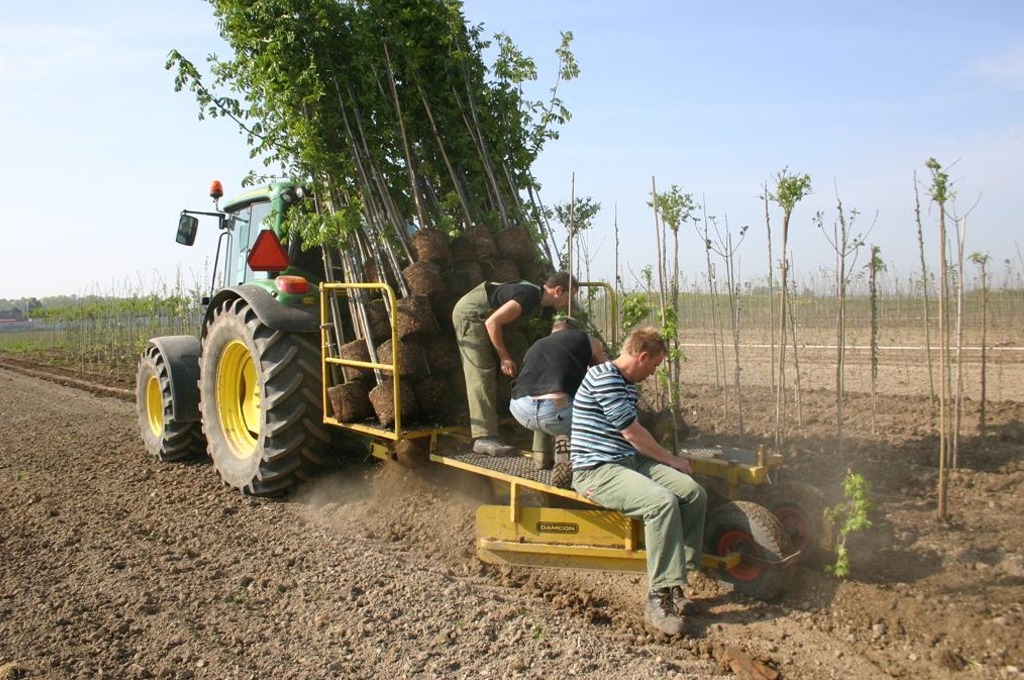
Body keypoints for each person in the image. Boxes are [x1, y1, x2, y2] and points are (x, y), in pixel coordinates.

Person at [570, 326, 707, 636]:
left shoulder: (628, 385)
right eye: (655, 365)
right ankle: (658, 598)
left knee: (693, 493)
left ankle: (675, 581)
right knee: (661, 502)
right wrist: (671, 459)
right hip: (597, 468)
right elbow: (631, 432)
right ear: (643, 357)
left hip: (630, 462)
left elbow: (634, 439)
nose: (654, 373)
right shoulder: (604, 377)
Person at [452, 272, 576, 457]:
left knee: (522, 353)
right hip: (472, 315)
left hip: (494, 319)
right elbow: (492, 322)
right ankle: (484, 437)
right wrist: (504, 357)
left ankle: (512, 412)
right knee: (482, 372)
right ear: (558, 290)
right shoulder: (529, 295)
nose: (569, 303)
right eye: (569, 297)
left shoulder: (545, 307)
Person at [509, 317, 606, 470]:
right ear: (576, 331)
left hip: (520, 407)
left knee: (544, 396)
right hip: (556, 410)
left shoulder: (538, 344)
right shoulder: (587, 339)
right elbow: (605, 375)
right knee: (582, 405)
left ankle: (541, 455)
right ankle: (582, 459)